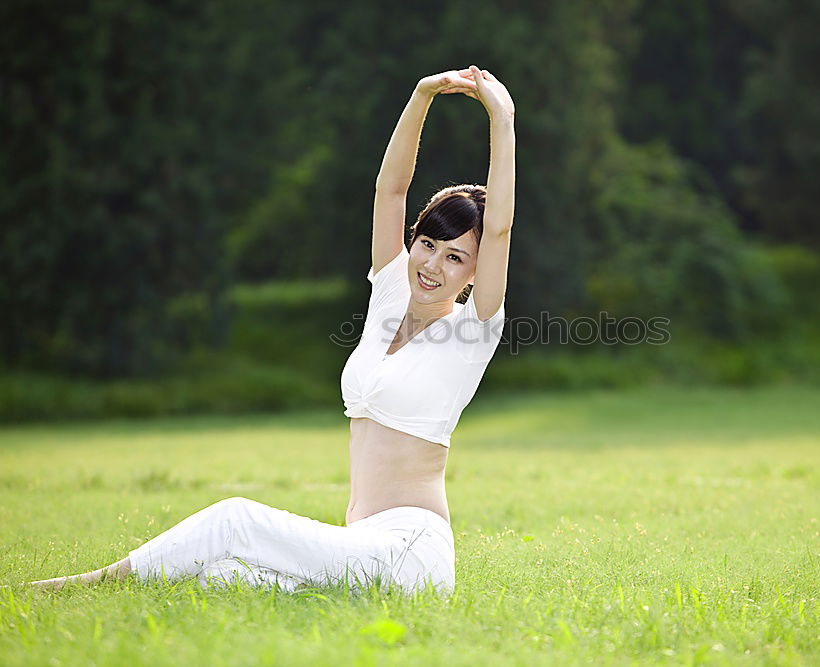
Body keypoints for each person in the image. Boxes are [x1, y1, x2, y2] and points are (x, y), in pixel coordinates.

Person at [27, 64, 516, 597]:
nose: (432, 265)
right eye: (427, 244)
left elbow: (499, 227)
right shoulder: (390, 293)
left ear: (474, 271)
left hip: (409, 550)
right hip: (362, 543)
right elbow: (390, 188)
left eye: (455, 257)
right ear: (414, 239)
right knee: (222, 578)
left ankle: (79, 587)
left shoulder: (472, 333)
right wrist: (422, 95)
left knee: (234, 519)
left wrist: (502, 117)